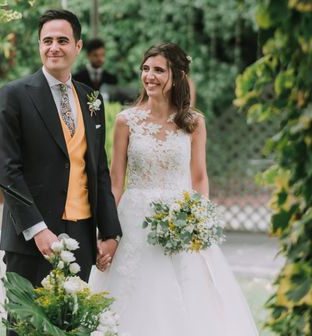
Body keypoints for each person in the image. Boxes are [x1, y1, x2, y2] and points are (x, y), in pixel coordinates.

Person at [89, 42, 258, 335]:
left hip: (181, 222)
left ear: (176, 76)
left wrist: (197, 217)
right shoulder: (125, 121)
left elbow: (200, 177)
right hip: (135, 222)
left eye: (158, 70)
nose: (149, 76)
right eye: (145, 69)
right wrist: (106, 231)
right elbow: (116, 182)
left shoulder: (193, 122)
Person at [0, 9, 122, 331]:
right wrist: (38, 230)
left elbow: (99, 170)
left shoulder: (92, 99)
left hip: (80, 236)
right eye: (47, 40)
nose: (54, 47)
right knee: (26, 328)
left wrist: (109, 232)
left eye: (62, 40)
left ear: (77, 47)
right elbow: (8, 171)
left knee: (72, 327)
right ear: (38, 46)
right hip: (31, 239)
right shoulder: (13, 96)